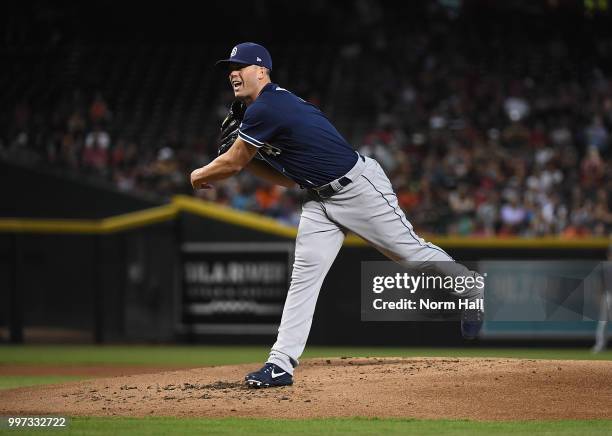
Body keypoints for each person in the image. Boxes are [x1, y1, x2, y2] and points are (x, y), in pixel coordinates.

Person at [190, 42, 484, 388]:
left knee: (411, 255)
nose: (233, 73)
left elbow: (233, 162)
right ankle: (280, 364)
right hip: (318, 199)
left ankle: (469, 286)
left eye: (241, 66)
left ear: (262, 71)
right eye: (230, 67)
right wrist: (250, 162)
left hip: (358, 189)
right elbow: (286, 179)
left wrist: (198, 175)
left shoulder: (267, 107)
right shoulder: (262, 111)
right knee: (304, 278)